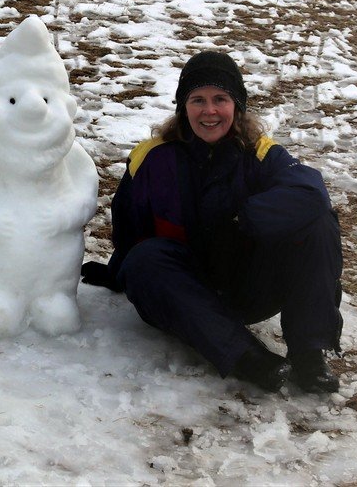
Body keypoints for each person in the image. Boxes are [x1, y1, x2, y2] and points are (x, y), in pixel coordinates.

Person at [82, 50, 343, 393]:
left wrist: (243, 219)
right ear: (182, 107)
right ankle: (249, 360)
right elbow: (130, 233)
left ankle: (310, 354)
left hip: (248, 286)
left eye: (220, 99)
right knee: (144, 258)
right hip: (186, 296)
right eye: (197, 100)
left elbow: (311, 192)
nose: (209, 111)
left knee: (319, 223)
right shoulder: (151, 159)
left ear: (237, 105)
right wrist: (118, 272)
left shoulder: (260, 152)